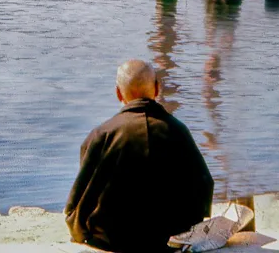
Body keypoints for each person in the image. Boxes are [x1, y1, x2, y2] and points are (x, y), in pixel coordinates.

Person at [65, 59, 214, 253]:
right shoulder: (178, 131)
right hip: (169, 239)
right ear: (157, 89)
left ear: (118, 93)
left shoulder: (102, 135)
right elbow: (205, 185)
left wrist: (80, 233)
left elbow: (80, 200)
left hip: (112, 240)